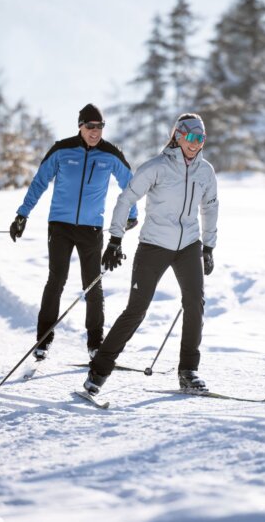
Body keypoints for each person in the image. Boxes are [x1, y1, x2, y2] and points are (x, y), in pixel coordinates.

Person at [83, 113, 218, 396]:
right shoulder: (157, 167)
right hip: (154, 245)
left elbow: (210, 207)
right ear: (178, 136)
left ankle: (188, 371)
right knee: (137, 310)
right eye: (191, 137)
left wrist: (208, 246)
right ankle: (99, 371)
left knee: (195, 304)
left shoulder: (205, 171)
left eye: (201, 138)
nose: (196, 144)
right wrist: (115, 239)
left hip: (188, 245)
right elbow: (127, 198)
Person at [10, 103, 138, 361]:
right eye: (90, 126)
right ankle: (43, 340)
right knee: (56, 281)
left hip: (91, 229)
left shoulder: (110, 154)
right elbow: (39, 182)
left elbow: (131, 185)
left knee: (93, 285)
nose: (95, 131)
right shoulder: (61, 150)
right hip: (60, 226)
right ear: (80, 126)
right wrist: (22, 214)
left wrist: (132, 215)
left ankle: (95, 342)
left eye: (100, 126)